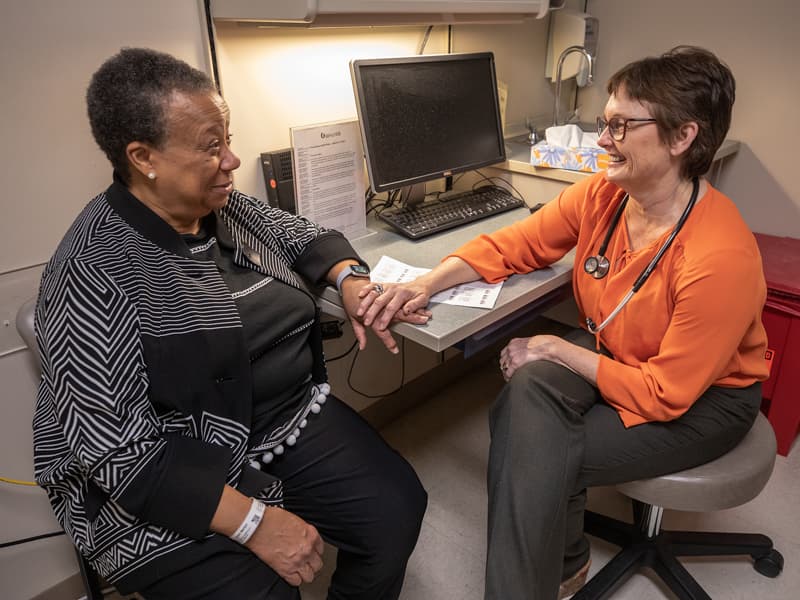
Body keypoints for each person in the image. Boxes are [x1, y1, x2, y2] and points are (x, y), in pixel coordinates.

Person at [357, 46, 769, 599]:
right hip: (620, 355)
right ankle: (566, 564)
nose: (603, 140)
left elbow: (665, 393)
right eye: (605, 123)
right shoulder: (606, 196)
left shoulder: (719, 256)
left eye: (621, 126)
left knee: (540, 448)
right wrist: (425, 283)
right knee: (527, 397)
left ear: (681, 137)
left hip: (702, 401)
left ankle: (542, 578)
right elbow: (516, 244)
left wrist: (556, 348)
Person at [32, 47, 429, 600]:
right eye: (211, 147)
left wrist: (350, 281)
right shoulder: (92, 270)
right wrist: (254, 522)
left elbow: (298, 234)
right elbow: (117, 454)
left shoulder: (220, 206)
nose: (232, 160)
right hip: (165, 466)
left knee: (396, 512)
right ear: (144, 157)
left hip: (277, 421)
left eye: (228, 139)